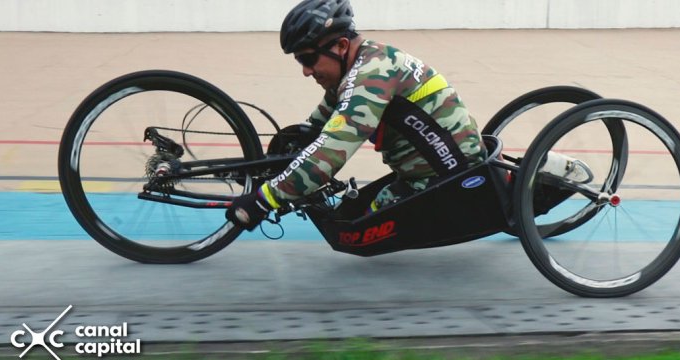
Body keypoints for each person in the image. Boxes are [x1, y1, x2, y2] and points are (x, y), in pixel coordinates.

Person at [227, 0, 591, 230]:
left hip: (445, 182)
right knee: (339, 217)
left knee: (349, 230)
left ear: (339, 46)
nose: (305, 71)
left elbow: (331, 152)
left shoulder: (371, 78)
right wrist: (285, 156)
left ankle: (545, 177)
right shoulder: (361, 65)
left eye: (308, 59)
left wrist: (265, 200)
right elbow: (319, 128)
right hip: (425, 171)